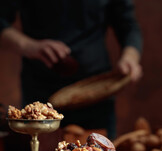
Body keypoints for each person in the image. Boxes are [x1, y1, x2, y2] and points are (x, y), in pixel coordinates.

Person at [0, 0, 142, 139]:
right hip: (41, 92)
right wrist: (28, 46)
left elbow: (128, 24)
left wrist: (130, 57)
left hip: (96, 94)